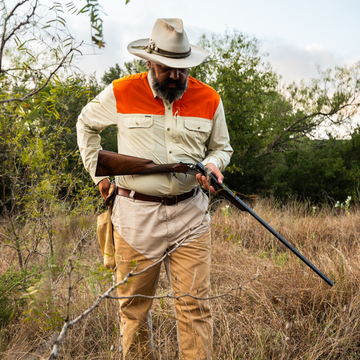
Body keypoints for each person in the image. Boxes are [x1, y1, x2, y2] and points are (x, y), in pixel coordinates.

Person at [77, 18, 233, 360]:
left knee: (195, 309)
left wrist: (213, 164)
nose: (175, 76)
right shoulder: (120, 90)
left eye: (182, 68)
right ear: (149, 61)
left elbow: (223, 147)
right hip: (135, 216)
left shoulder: (209, 98)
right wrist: (99, 177)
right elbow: (86, 124)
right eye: (166, 68)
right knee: (133, 311)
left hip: (191, 215)